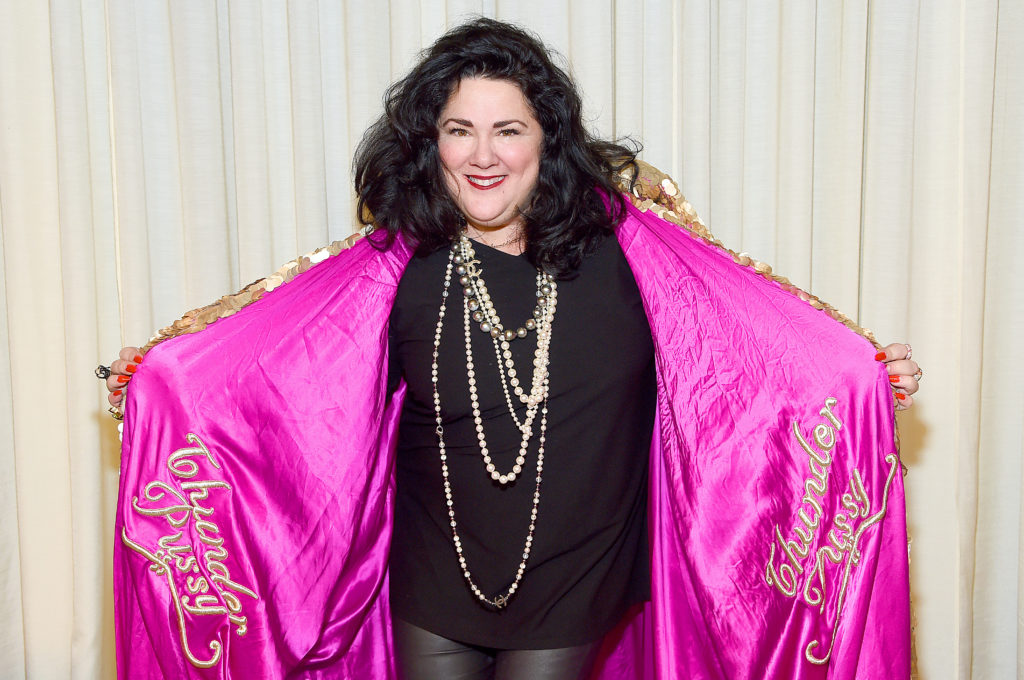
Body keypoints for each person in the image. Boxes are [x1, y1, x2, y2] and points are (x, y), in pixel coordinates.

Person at [105, 18, 920, 680]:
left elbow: (749, 347)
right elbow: (272, 380)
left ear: (547, 140)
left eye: (508, 130)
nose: (484, 155)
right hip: (434, 578)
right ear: (432, 144)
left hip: (575, 575)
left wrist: (861, 378)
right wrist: (160, 382)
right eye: (460, 130)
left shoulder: (634, 252)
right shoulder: (393, 268)